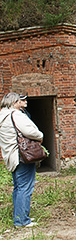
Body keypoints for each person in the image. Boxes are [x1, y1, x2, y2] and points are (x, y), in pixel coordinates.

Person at [0, 92, 43, 227]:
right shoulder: (16, 115)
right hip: (22, 156)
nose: (21, 103)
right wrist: (40, 135)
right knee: (25, 187)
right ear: (14, 102)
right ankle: (21, 220)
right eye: (19, 101)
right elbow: (32, 132)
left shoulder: (2, 116)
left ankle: (19, 216)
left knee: (18, 187)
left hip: (10, 156)